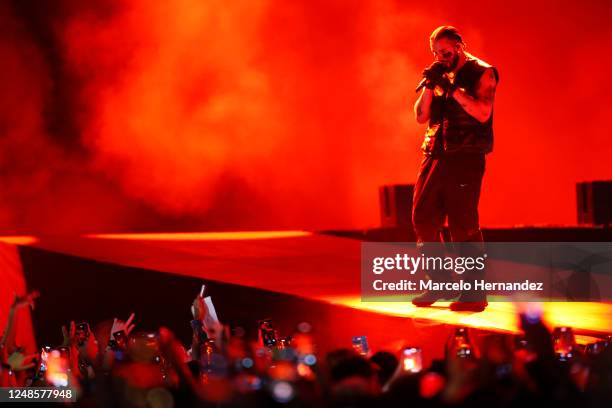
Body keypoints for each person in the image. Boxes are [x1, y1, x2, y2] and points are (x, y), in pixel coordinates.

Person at [411, 26, 498, 312]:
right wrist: (428, 85)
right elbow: (421, 116)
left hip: (466, 156)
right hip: (435, 153)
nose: (441, 57)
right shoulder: (439, 73)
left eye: (445, 52)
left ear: (460, 46)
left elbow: (483, 113)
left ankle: (475, 293)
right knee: (423, 217)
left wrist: (452, 89)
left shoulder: (482, 72)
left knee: (463, 223)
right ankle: (440, 281)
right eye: (435, 52)